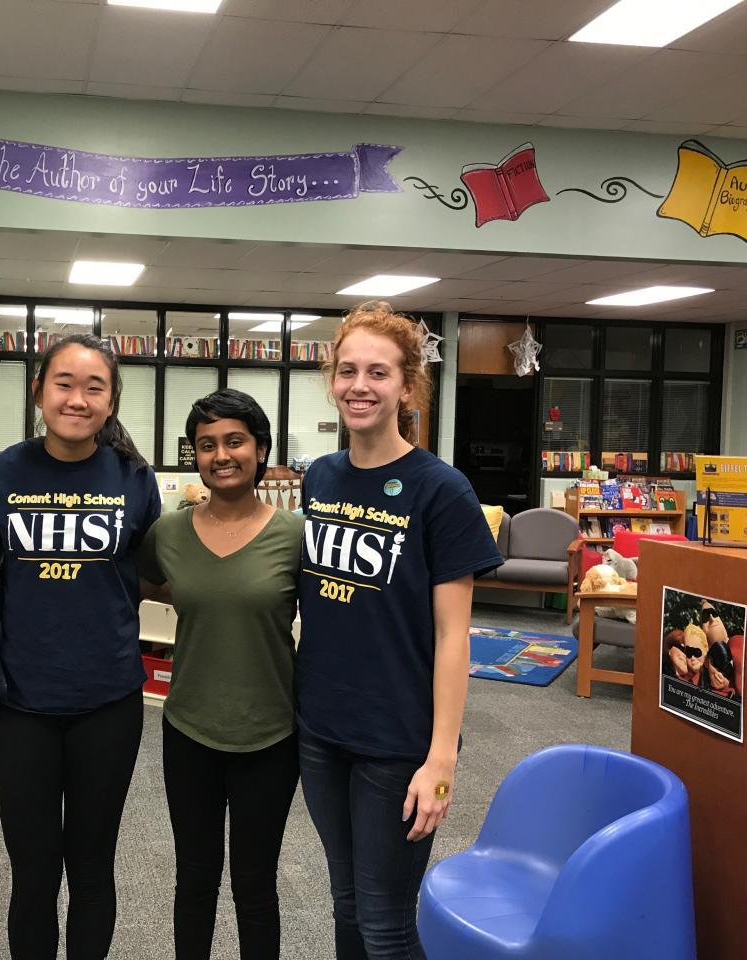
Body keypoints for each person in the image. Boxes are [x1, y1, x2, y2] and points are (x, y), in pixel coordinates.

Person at [296, 301, 503, 959]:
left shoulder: (440, 490)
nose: (360, 386)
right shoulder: (320, 477)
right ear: (332, 379)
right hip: (321, 729)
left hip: (399, 742)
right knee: (346, 905)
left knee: (385, 924)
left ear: (407, 387)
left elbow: (454, 636)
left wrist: (441, 760)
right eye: (348, 370)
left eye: (378, 373)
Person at [0, 333, 161, 960]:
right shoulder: (0, 472)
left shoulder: (134, 477)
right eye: (64, 384)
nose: (77, 399)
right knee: (33, 872)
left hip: (108, 700)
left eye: (94, 388)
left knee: (92, 866)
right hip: (21, 701)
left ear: (111, 402)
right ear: (39, 392)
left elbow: (149, 574)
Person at [138, 389, 303, 960]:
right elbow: (140, 588)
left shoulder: (294, 535)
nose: (221, 455)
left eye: (235, 441)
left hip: (271, 734)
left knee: (255, 884)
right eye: (206, 445)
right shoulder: (168, 532)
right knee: (195, 878)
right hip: (189, 731)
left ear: (261, 449)